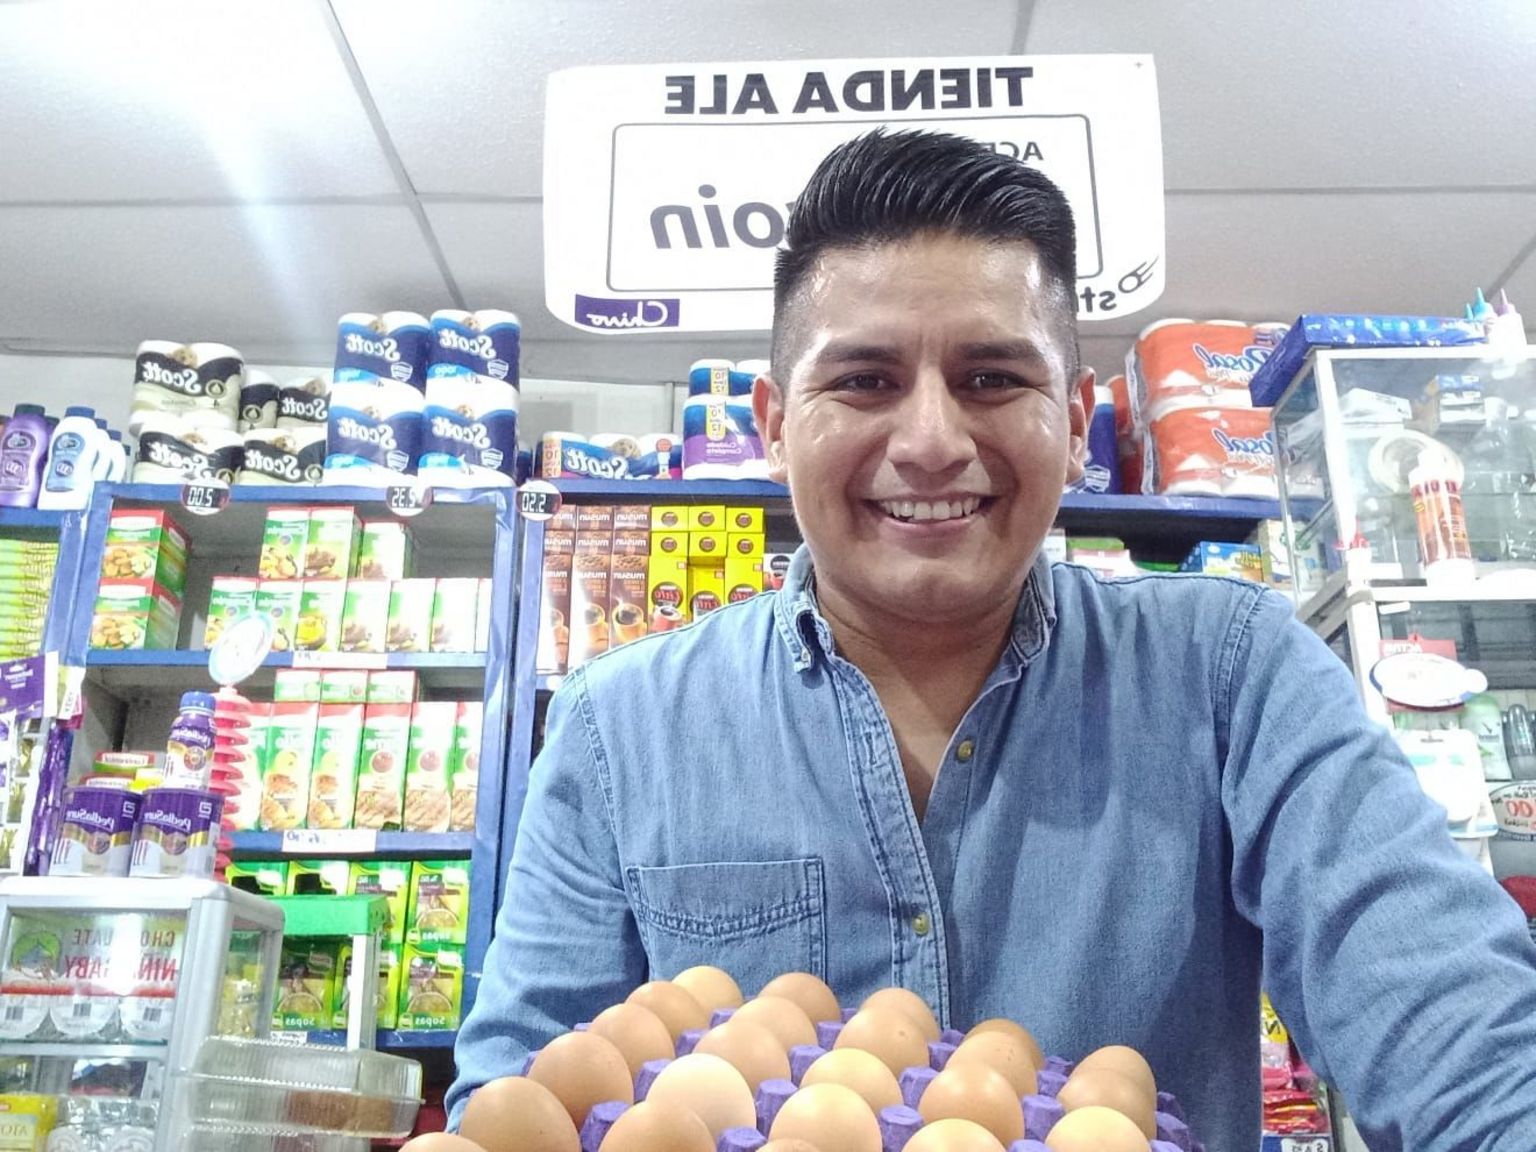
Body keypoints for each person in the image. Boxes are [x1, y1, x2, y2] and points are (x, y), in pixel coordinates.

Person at [450, 130, 1536, 1150]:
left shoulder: (1230, 675)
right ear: (778, 426)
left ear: (1073, 425)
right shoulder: (621, 726)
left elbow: (1464, 1039)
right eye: (865, 380)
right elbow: (523, 1101)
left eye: (993, 378)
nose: (929, 442)